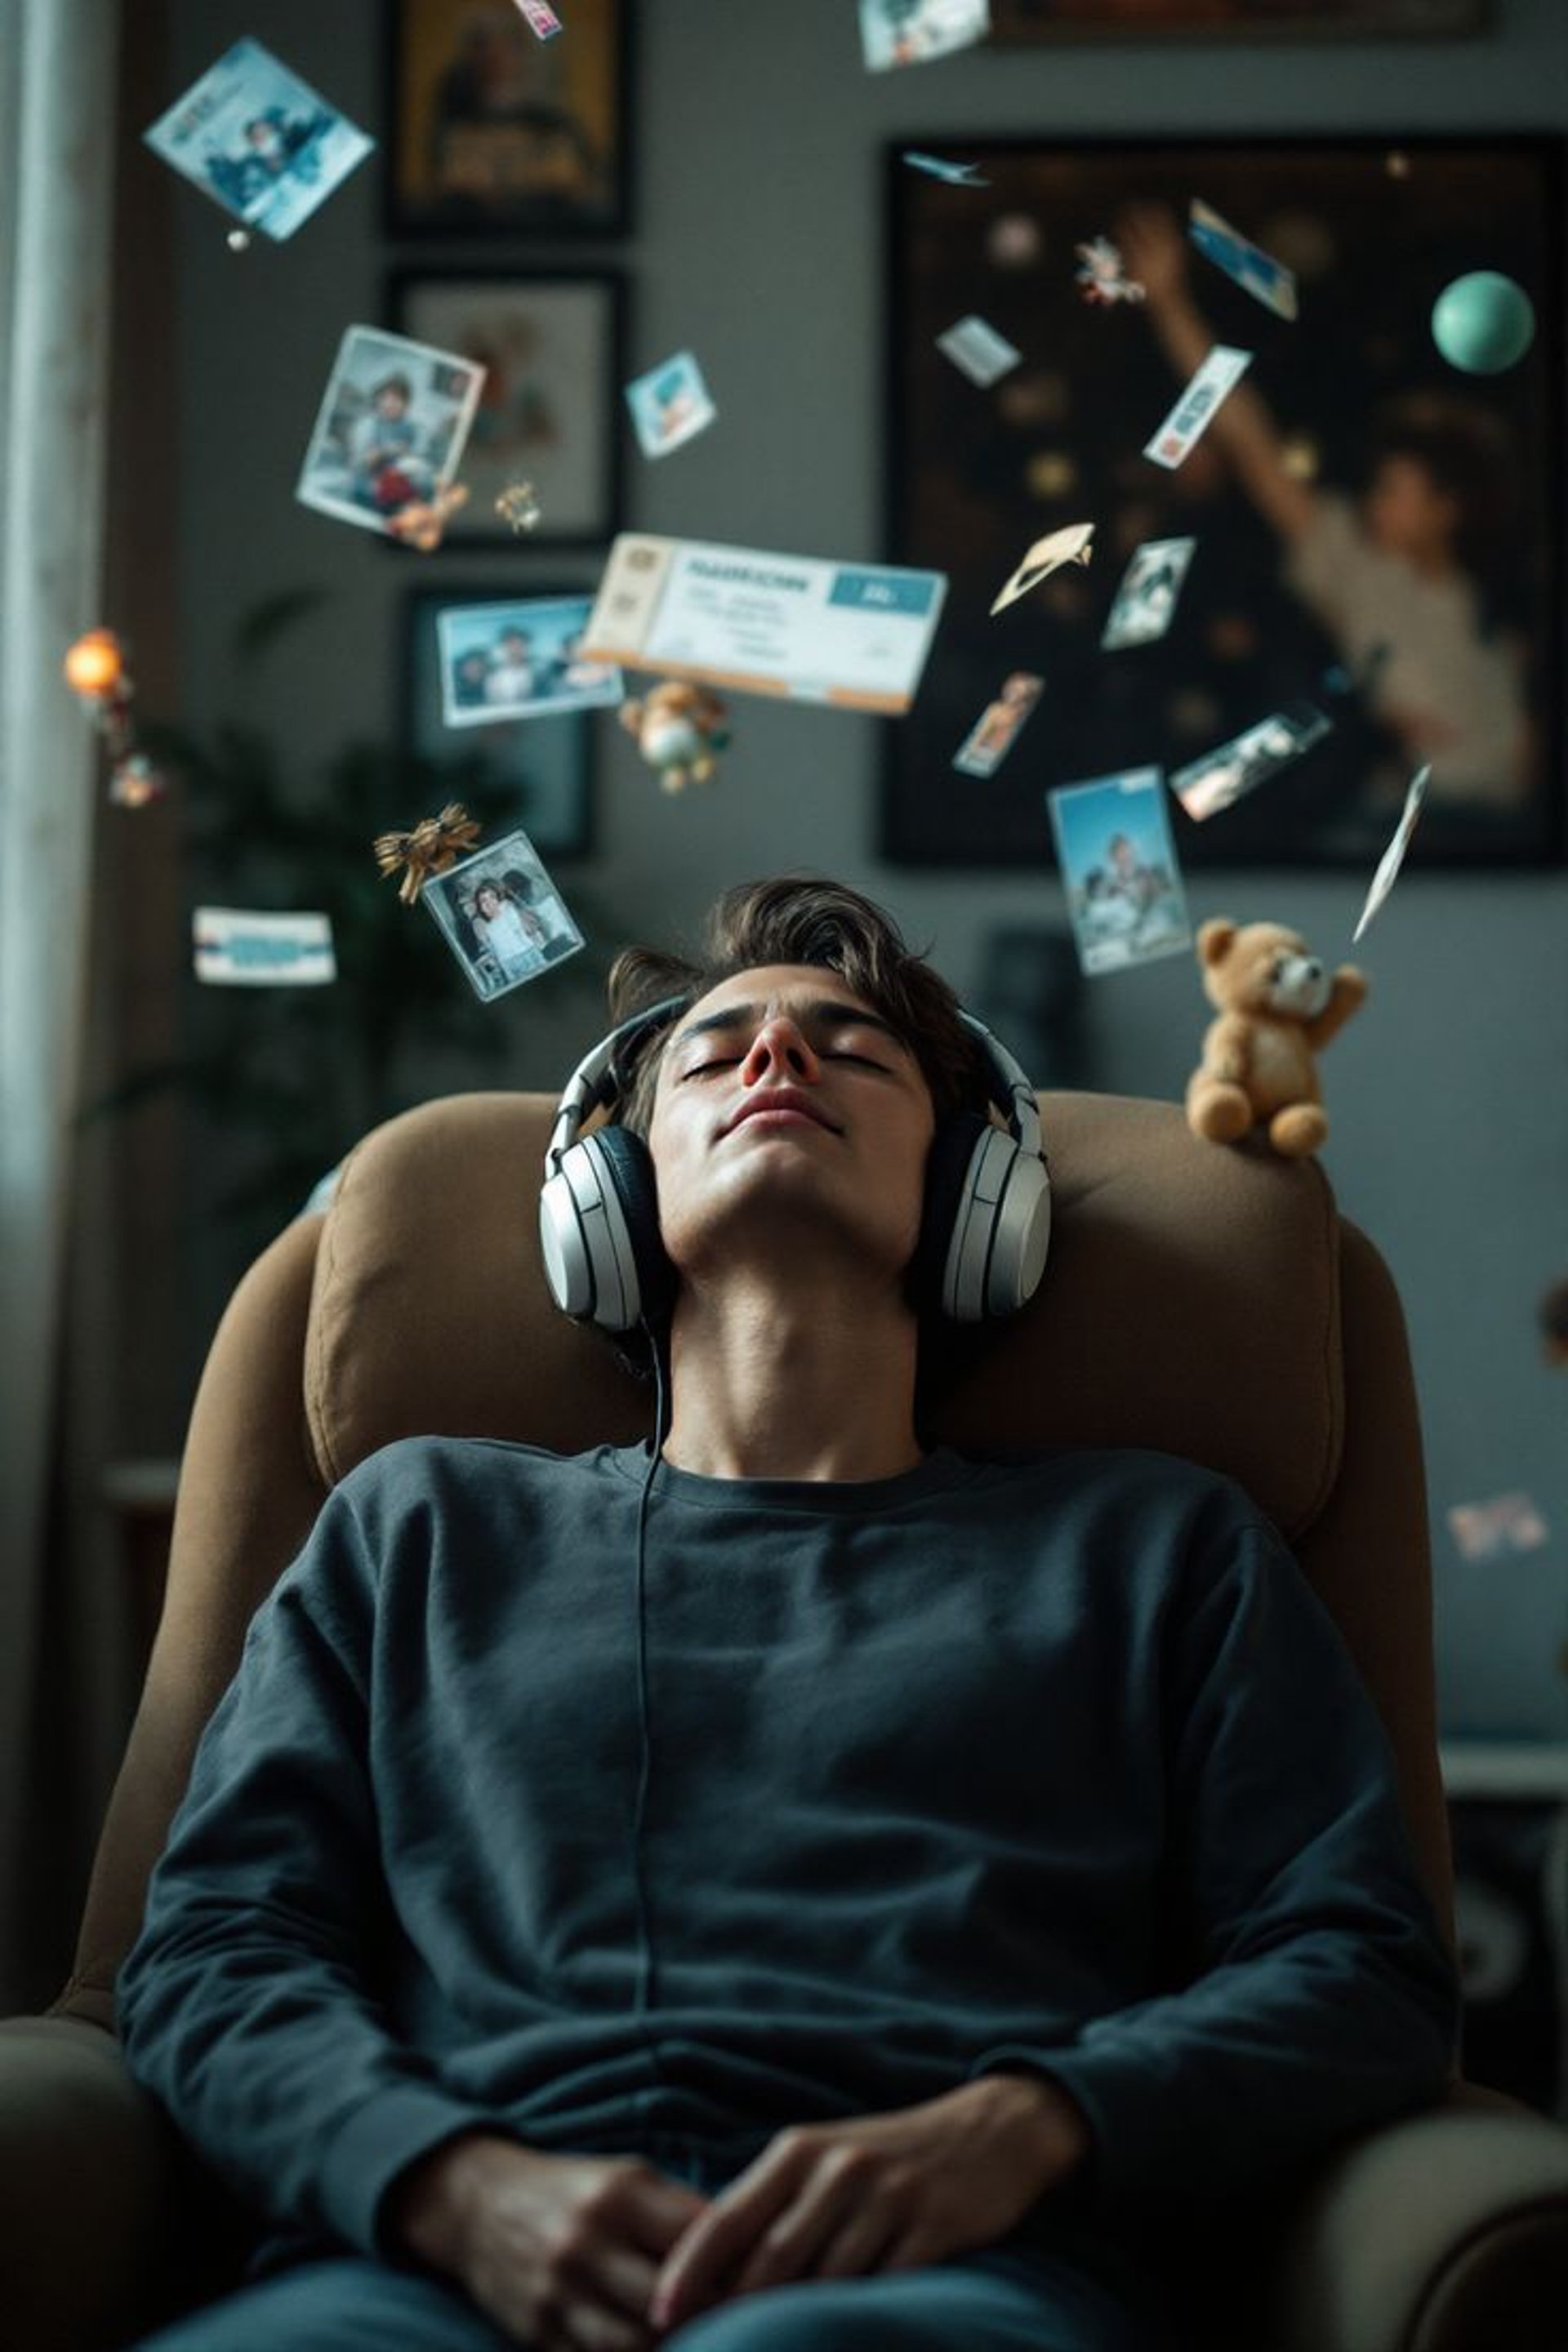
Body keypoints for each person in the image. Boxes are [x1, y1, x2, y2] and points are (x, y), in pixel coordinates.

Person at [115, 877, 1458, 2352]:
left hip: (946, 2281)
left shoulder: (1159, 1549)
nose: (775, 1061)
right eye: (713, 1051)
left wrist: (1027, 2128)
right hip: (428, 2274)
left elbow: (1359, 1967)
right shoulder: (415, 1528)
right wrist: (448, 2184)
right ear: (607, 1201)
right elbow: (213, 1950)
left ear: (971, 1198)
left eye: (851, 1051)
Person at [1117, 201, 1533, 823]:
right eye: (1378, 486)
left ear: (1446, 509)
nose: (1375, 502)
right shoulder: (1357, 566)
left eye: (1396, 491)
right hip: (1425, 826)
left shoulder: (1493, 600)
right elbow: (1249, 438)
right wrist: (1171, 303)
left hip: (1508, 831)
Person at [468, 879, 545, 981]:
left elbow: (525, 926)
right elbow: (484, 940)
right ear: (480, 907)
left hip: (528, 952)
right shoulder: (484, 926)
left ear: (498, 900)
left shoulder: (508, 909)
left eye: (492, 897)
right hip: (508, 963)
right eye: (483, 900)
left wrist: (503, 907)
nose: (489, 902)